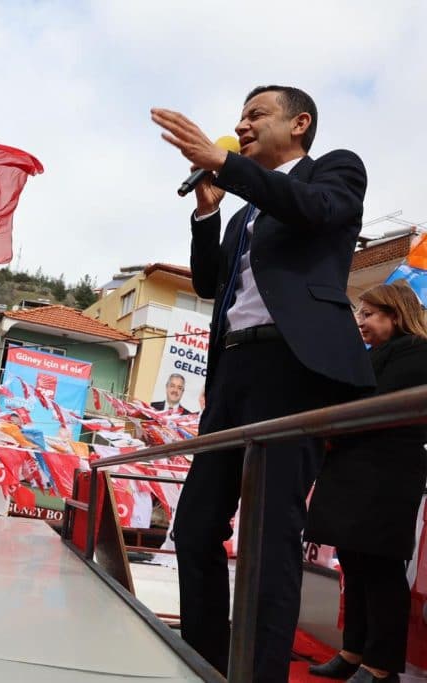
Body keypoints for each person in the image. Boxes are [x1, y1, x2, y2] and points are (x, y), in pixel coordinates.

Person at [151, 85, 375, 681]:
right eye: (239, 119)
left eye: (256, 116)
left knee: (271, 537)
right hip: (232, 373)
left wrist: (226, 162)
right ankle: (205, 659)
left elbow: (314, 212)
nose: (242, 126)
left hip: (291, 368)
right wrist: (207, 209)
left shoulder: (336, 171)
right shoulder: (244, 209)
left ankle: (260, 672)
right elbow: (207, 282)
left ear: (299, 124)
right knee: (196, 526)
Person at [304, 282, 427, 683]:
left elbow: (370, 409)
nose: (361, 322)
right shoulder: (375, 355)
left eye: (369, 314)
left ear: (395, 314)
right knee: (354, 563)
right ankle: (353, 650)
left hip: (386, 474)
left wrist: (332, 427)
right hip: (356, 471)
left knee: (381, 569)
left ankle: (380, 666)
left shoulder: (418, 354)